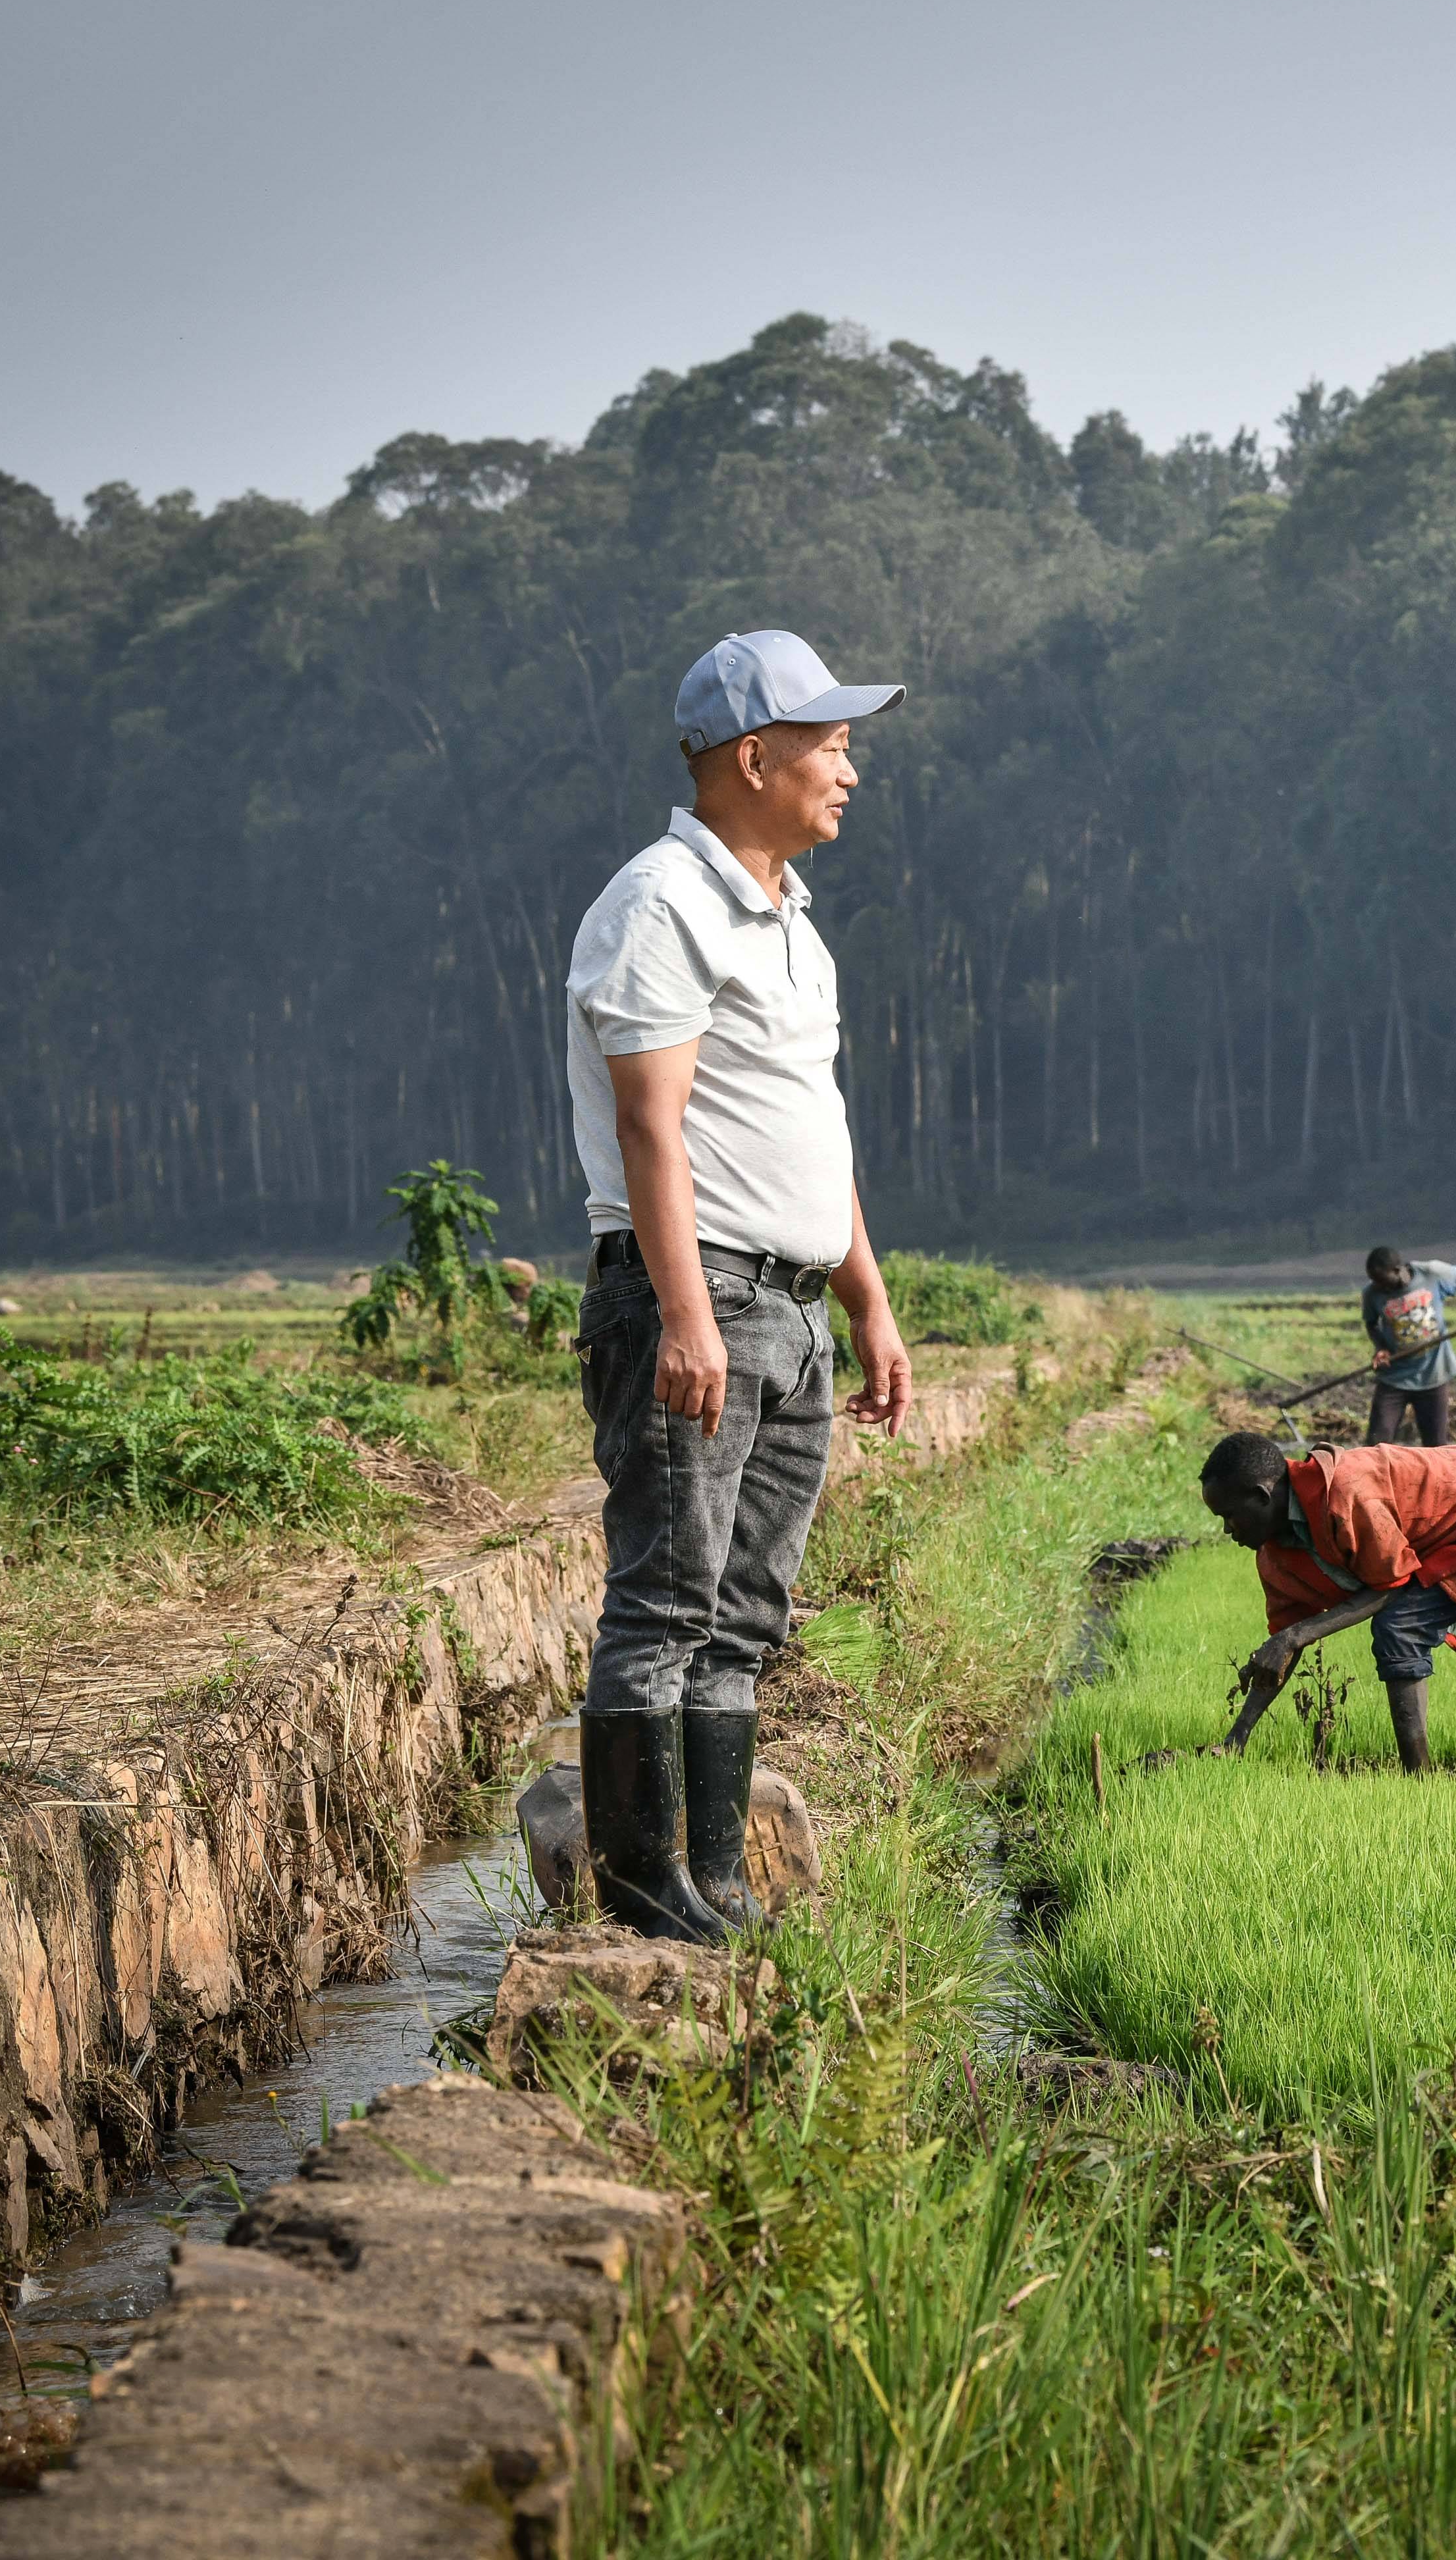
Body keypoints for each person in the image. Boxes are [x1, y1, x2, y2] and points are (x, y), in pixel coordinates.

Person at [561, 630, 916, 1943]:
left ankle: (714, 1878)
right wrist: (692, 1318)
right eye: (830, 745)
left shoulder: (787, 923)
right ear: (753, 757)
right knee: (666, 1595)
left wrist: (867, 1296)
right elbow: (652, 1126)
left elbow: (804, 1123)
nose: (850, 772)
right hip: (696, 1294)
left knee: (747, 1611)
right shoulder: (662, 903)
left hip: (794, 1302)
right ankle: (643, 1887)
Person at [1198, 1428, 1456, 1768]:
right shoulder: (1277, 1556)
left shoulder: (1346, 1493)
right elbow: (1283, 1648)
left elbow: (1392, 1584)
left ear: (1262, 1495)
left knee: (1402, 1628)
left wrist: (1295, 1636)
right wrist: (1236, 1739)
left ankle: (1419, 1780)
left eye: (1230, 1516)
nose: (1228, 1530)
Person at [1359, 1245, 1456, 1444]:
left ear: (1398, 1270)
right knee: (1376, 1443)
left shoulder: (1432, 1273)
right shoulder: (1372, 1293)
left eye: (1382, 1280)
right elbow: (1371, 1324)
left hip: (1433, 1373)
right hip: (1395, 1377)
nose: (1379, 1286)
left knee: (1436, 1447)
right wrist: (1381, 1348)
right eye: (1374, 1281)